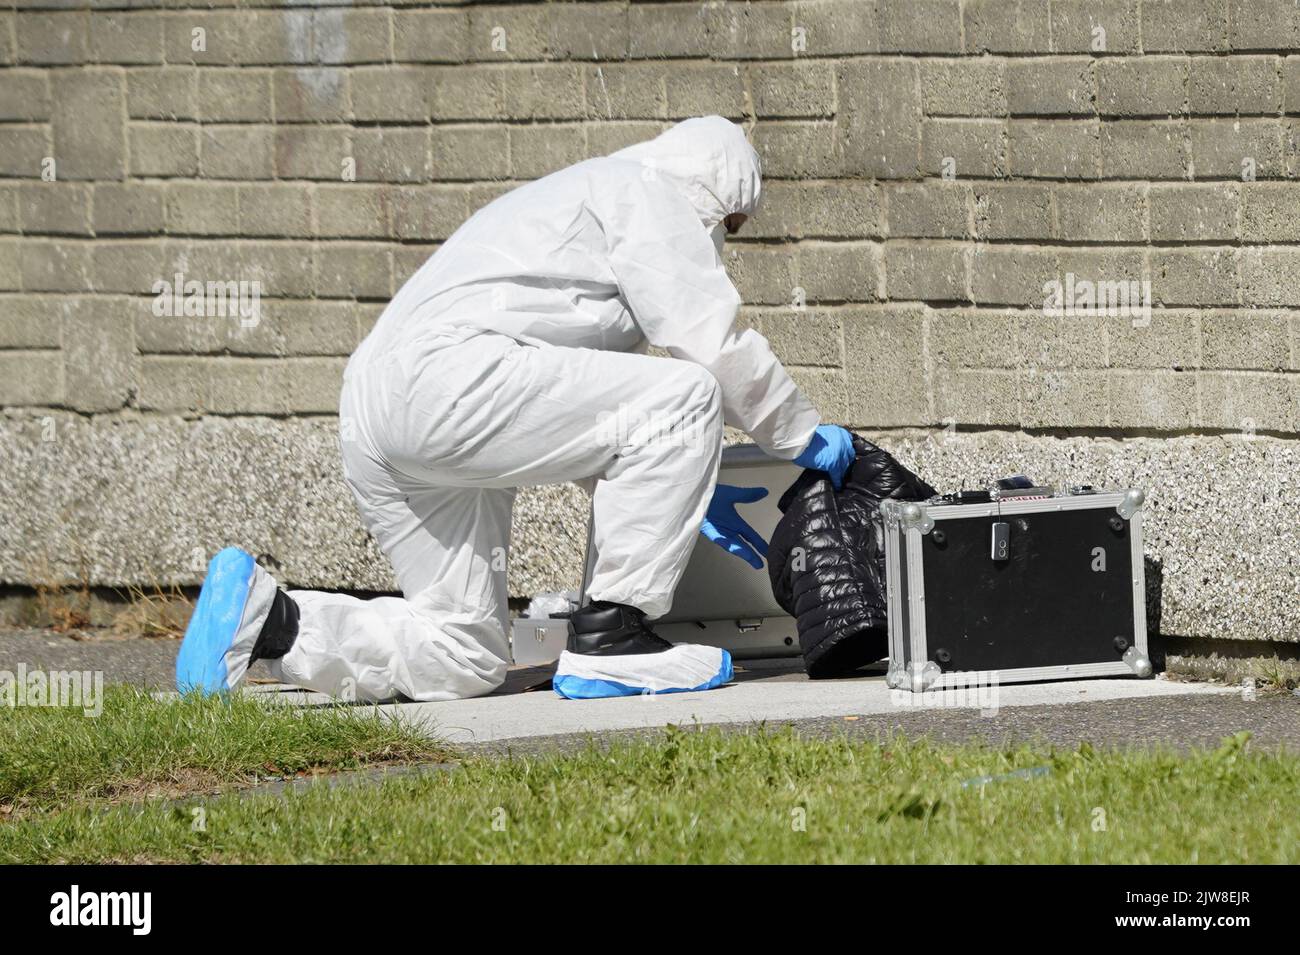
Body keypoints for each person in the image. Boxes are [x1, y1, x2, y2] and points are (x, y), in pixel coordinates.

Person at [175, 116, 856, 702]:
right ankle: (612, 634)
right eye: (732, 220)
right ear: (715, 189)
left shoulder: (578, 197)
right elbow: (712, 341)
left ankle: (268, 619)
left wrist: (684, 487)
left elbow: (573, 417)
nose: (727, 236)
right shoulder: (649, 192)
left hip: (381, 409)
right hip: (448, 379)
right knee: (687, 395)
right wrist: (800, 434)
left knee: (463, 653)